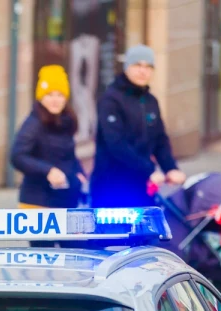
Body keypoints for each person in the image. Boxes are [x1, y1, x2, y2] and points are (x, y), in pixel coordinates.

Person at [91, 44, 185, 208]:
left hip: (142, 187)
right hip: (111, 186)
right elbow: (116, 144)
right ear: (127, 67)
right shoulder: (110, 99)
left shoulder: (150, 101)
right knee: (110, 234)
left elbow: (160, 140)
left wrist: (170, 168)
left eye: (148, 66)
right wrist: (149, 169)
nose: (143, 71)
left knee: (141, 233)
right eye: (138, 65)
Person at [10, 65, 86, 209]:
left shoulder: (66, 120)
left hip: (65, 201)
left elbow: (67, 155)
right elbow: (17, 156)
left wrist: (78, 173)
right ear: (41, 97)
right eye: (50, 94)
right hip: (38, 203)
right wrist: (48, 170)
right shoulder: (34, 123)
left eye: (59, 95)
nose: (55, 100)